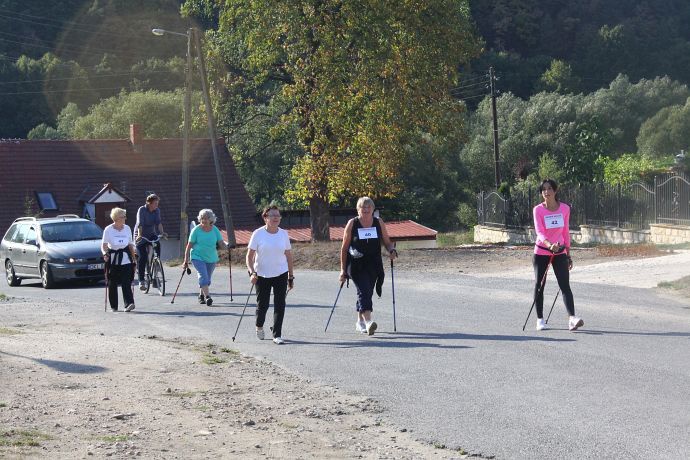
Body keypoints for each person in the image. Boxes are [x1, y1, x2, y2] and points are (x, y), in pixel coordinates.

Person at [339, 197, 397, 335]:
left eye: (368, 207)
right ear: (358, 209)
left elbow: (387, 242)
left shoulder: (378, 222)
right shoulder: (352, 223)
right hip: (356, 264)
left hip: (374, 264)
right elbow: (344, 248)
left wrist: (391, 250)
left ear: (372, 209)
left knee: (366, 292)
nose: (365, 210)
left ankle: (360, 322)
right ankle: (369, 322)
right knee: (364, 290)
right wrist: (342, 270)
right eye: (362, 207)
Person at [532, 178, 583, 331]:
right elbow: (539, 231)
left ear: (555, 191)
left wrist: (568, 253)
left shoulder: (565, 208)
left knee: (565, 285)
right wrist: (549, 245)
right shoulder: (538, 210)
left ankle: (572, 319)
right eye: (543, 190)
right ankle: (540, 320)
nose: (546, 192)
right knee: (540, 285)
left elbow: (565, 231)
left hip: (560, 252)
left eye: (549, 189)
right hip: (541, 252)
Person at [246, 205, 294, 345]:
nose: (275, 218)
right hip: (261, 274)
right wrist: (252, 272)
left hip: (281, 273)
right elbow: (249, 256)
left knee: (280, 304)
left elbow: (288, 255)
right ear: (265, 218)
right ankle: (259, 325)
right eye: (272, 215)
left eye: (278, 216)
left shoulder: (283, 234)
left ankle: (277, 334)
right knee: (263, 305)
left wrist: (291, 276)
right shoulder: (258, 233)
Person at [183, 209, 226, 306]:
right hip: (197, 256)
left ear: (211, 219)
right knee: (203, 276)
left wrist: (227, 247)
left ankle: (201, 295)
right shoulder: (196, 230)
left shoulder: (215, 229)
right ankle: (208, 297)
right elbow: (189, 246)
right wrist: (185, 260)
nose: (203, 220)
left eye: (206, 218)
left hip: (211, 258)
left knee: (207, 279)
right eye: (202, 218)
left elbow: (221, 242)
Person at [101, 207, 137, 312]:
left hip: (126, 258)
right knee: (112, 283)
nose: (125, 218)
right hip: (113, 259)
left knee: (126, 281)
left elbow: (130, 244)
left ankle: (129, 303)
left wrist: (134, 257)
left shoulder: (127, 228)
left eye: (125, 216)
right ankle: (114, 306)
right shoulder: (108, 229)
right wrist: (105, 254)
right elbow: (104, 245)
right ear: (116, 218)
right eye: (123, 216)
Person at [134, 194, 166, 291]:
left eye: (157, 203)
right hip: (141, 235)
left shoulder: (157, 211)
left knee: (157, 244)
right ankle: (141, 281)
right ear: (149, 203)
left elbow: (158, 223)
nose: (157, 205)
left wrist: (162, 232)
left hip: (151, 234)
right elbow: (140, 224)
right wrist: (139, 235)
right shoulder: (142, 210)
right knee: (143, 256)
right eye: (155, 203)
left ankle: (156, 267)